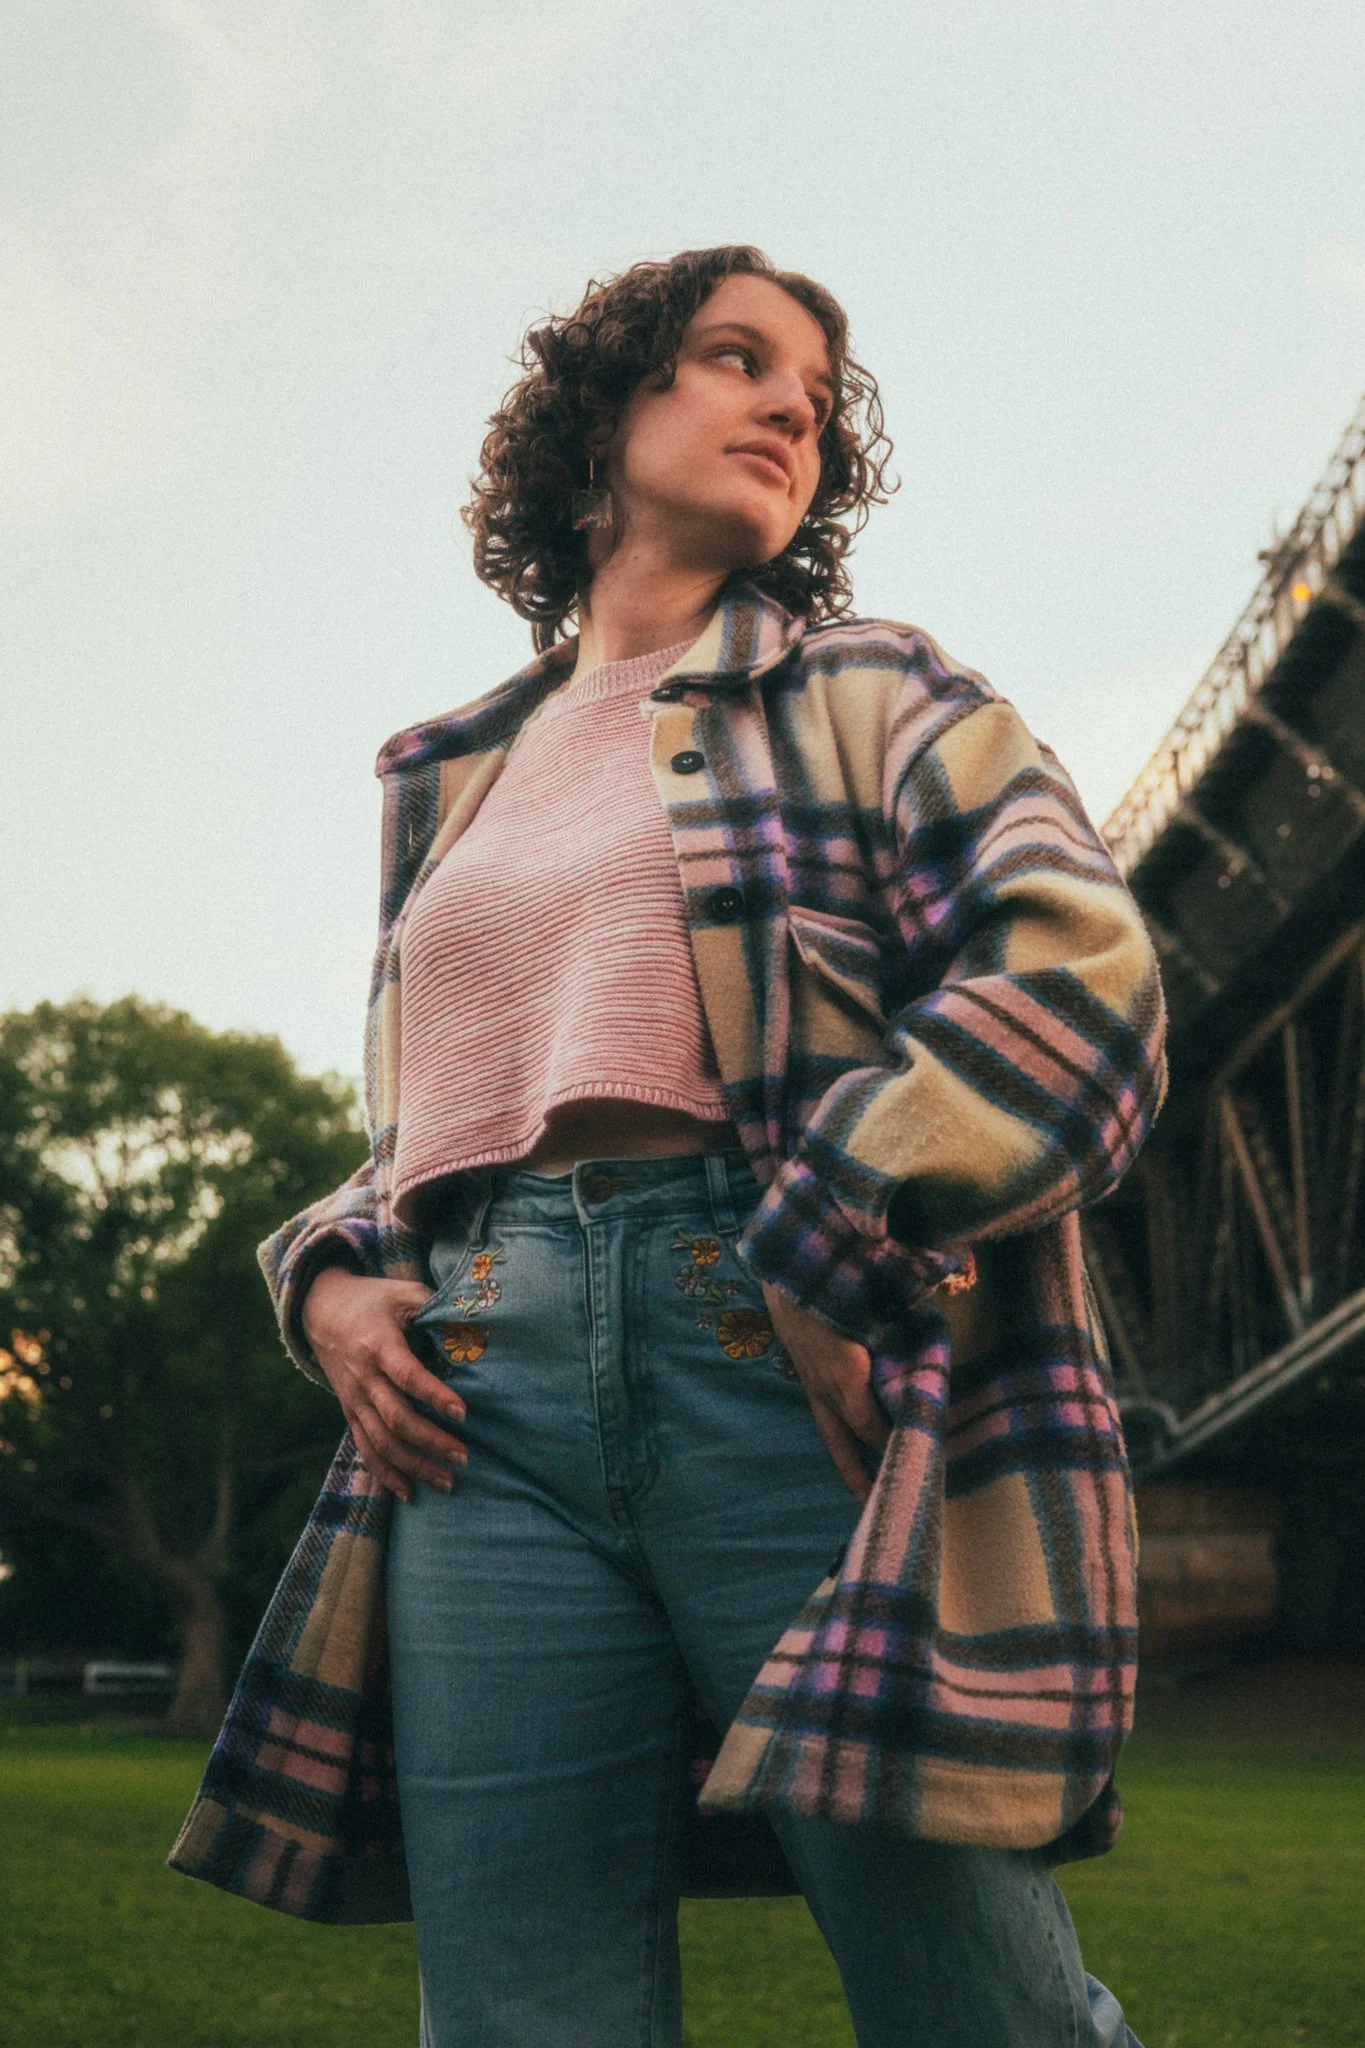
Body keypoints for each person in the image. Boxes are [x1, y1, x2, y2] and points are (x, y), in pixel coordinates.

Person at [170, 245, 1166, 2047]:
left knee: (975, 2007)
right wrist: (329, 1281)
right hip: (477, 1419)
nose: (789, 402)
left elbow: (1081, 979)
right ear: (602, 410)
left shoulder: (877, 692)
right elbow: (428, 1123)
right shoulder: (449, 775)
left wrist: (847, 1218)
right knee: (518, 2020)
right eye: (731, 358)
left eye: (812, 389)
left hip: (783, 1355)